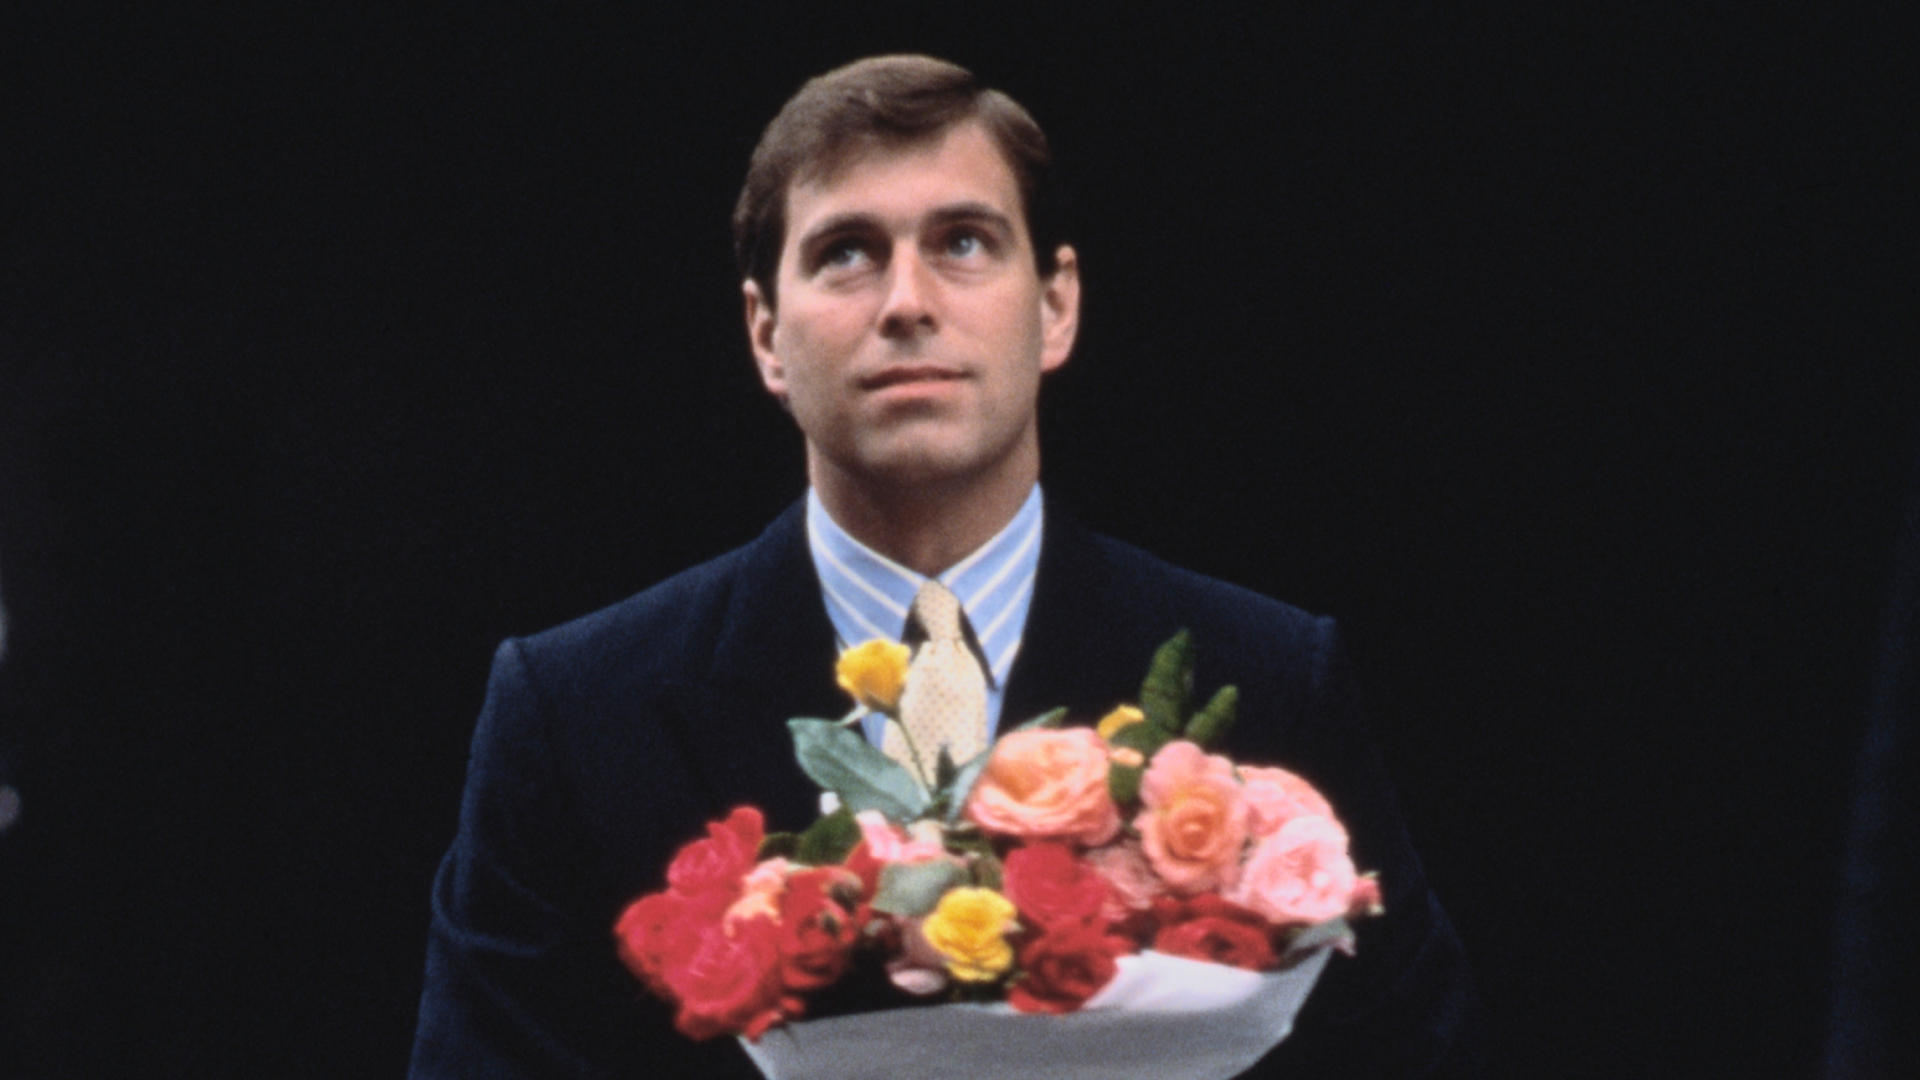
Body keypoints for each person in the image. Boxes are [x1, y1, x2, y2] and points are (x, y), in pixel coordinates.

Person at [409, 55, 1483, 1078]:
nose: (908, 299)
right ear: (765, 334)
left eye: (964, 241)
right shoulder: (575, 714)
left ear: (1056, 305)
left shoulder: (1274, 678)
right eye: (847, 252)